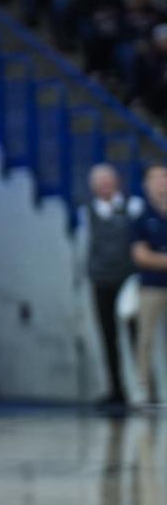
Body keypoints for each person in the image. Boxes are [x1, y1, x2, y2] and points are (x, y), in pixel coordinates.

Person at [78, 164, 140, 408]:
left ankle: (143, 388)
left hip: (129, 280)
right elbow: (85, 246)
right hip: (101, 280)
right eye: (98, 182)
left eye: (107, 181)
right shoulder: (88, 213)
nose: (103, 186)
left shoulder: (133, 207)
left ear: (117, 182)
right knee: (107, 337)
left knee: (137, 337)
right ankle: (117, 389)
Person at [127, 165, 167, 407]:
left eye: (165, 177)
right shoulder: (141, 216)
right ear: (146, 184)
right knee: (146, 339)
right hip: (151, 287)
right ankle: (142, 390)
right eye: (156, 177)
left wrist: (157, 258)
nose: (161, 182)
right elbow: (141, 256)